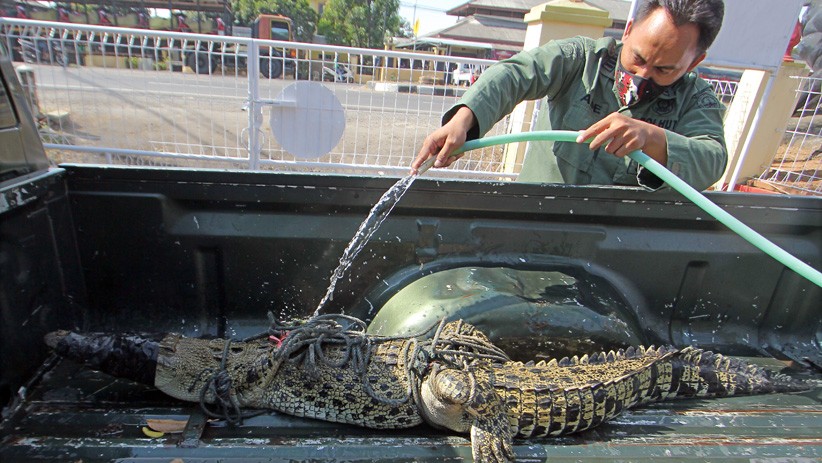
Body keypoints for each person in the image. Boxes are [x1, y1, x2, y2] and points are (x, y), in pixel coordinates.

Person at [411, 0, 727, 191]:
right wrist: (463, 120)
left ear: (694, 62)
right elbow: (515, 75)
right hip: (533, 223)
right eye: (638, 58)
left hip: (610, 251)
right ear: (628, 30)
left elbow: (712, 158)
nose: (641, 76)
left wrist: (652, 138)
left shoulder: (695, 100)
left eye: (663, 70)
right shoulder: (580, 60)